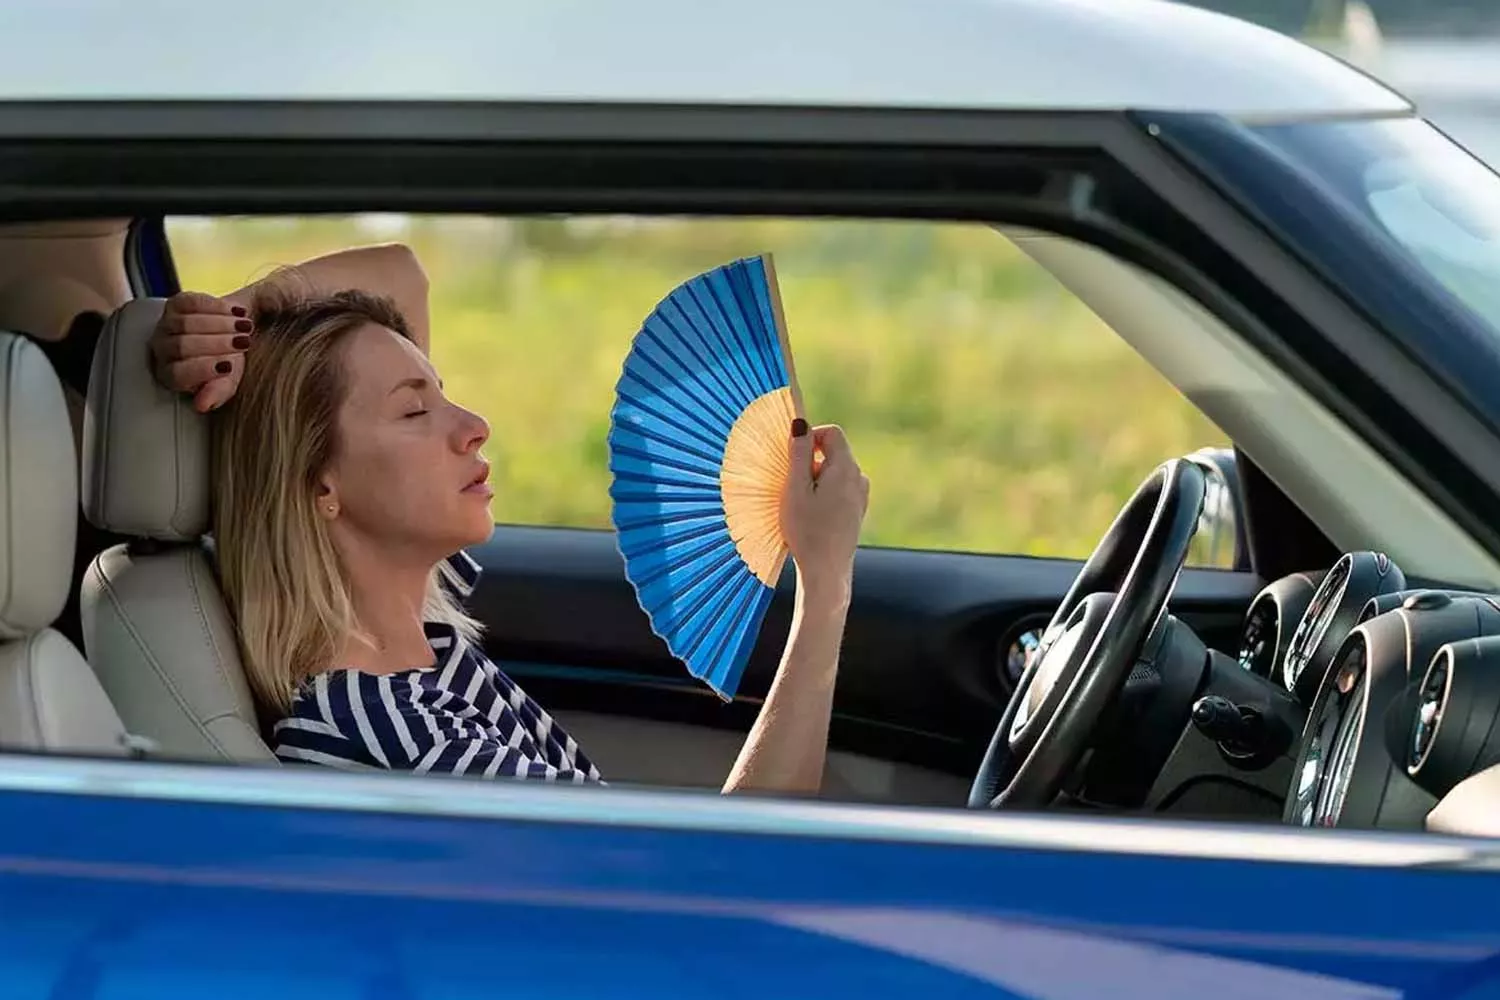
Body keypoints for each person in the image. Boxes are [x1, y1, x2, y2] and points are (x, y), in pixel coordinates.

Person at [149, 243, 870, 795]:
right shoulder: (386, 730)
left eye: (445, 392)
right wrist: (826, 583)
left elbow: (401, 275)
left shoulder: (417, 638)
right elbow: (717, 884)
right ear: (318, 485)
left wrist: (237, 323)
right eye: (414, 410)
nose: (475, 426)